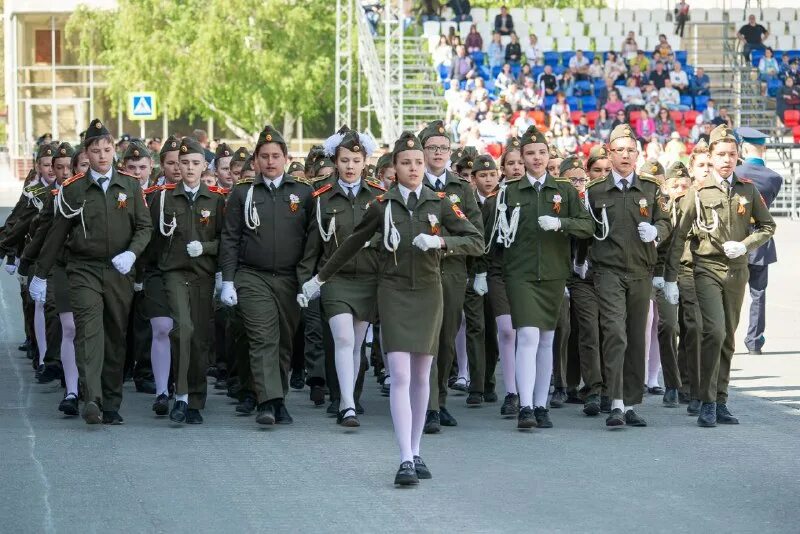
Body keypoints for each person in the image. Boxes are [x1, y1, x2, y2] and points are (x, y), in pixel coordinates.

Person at [303, 130, 482, 486]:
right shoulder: (381, 205)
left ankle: (416, 451)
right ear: (394, 168)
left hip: (429, 295)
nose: (414, 168)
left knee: (420, 377)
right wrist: (319, 280)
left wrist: (441, 241)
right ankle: (404, 458)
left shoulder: (441, 202)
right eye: (406, 163)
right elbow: (352, 243)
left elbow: (476, 240)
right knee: (400, 376)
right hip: (393, 292)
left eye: (418, 162)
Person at [29, 119, 152, 425]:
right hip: (83, 268)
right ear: (86, 153)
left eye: (107, 149)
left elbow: (145, 228)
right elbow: (57, 234)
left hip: (118, 270)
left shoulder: (131, 186)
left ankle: (111, 402)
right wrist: (41, 274)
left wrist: (131, 253)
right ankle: (92, 398)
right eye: (95, 150)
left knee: (114, 335)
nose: (101, 155)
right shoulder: (74, 189)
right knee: (89, 331)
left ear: (114, 152)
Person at [669, 124, 775, 427]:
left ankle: (720, 399)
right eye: (721, 154)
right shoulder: (698, 192)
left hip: (736, 270)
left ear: (738, 156)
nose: (727, 159)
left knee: (727, 337)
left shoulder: (747, 190)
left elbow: (767, 227)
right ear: (711, 157)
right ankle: (705, 400)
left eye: (732, 154)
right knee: (713, 332)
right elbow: (678, 237)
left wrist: (744, 245)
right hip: (706, 268)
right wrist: (668, 278)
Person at [486, 125, 593, 429]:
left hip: (554, 273)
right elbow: (493, 236)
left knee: (547, 338)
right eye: (530, 153)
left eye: (541, 153)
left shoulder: (565, 190)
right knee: (529, 335)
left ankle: (541, 404)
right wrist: (485, 272)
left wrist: (561, 224)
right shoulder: (509, 191)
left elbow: (587, 227)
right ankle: (526, 405)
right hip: (519, 274)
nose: (536, 158)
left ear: (549, 155)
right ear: (521, 157)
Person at [219, 125, 314, 426]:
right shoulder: (243, 192)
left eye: (276, 155)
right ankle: (268, 401)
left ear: (286, 158)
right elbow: (230, 238)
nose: (270, 161)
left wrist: (309, 278)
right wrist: (228, 280)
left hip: (289, 279)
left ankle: (278, 398)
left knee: (284, 342)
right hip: (252, 276)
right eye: (264, 156)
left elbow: (312, 240)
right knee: (262, 338)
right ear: (256, 160)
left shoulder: (303, 192)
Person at [584, 123, 672, 428]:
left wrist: (655, 232)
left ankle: (632, 403)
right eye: (619, 150)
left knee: (636, 337)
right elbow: (586, 230)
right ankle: (616, 401)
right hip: (607, 271)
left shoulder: (650, 187)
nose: (625, 155)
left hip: (641, 272)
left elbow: (665, 222)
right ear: (609, 153)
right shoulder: (595, 190)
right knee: (615, 334)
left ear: (638, 153)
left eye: (630, 150)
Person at [298, 128, 383, 427]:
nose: (350, 166)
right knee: (343, 338)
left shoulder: (379, 197)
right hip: (334, 278)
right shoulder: (321, 197)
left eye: (356, 160)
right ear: (336, 162)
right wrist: (308, 282)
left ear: (365, 162)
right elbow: (312, 244)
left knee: (357, 343)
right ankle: (346, 404)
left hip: (368, 279)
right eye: (345, 160)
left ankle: (350, 396)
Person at [144, 137, 226, 424]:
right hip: (174, 273)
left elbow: (225, 240)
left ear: (205, 165)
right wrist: (143, 274)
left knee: (201, 338)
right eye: (185, 163)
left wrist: (208, 251)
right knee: (184, 329)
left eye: (195, 163)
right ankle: (180, 396)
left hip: (203, 274)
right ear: (177, 165)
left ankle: (196, 400)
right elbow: (151, 238)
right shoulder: (163, 197)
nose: (190, 168)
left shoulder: (216, 199)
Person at [415, 120, 483, 433]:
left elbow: (476, 238)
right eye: (432, 147)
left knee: (445, 341)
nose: (439, 153)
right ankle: (426, 405)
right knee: (424, 339)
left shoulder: (462, 189)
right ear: (421, 150)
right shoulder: (412, 183)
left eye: (444, 147)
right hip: (419, 272)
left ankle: (439, 401)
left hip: (453, 272)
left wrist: (445, 244)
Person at [569, 146, 612, 414]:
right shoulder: (577, 199)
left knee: (611, 332)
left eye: (607, 170)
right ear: (587, 173)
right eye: (597, 170)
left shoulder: (617, 196)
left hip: (609, 273)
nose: (602, 174)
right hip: (581, 276)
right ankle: (594, 388)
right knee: (589, 331)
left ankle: (610, 387)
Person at [734, 127, 783, 355]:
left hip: (736, 238)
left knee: (729, 292)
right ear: (763, 148)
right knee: (758, 294)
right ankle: (754, 342)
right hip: (761, 240)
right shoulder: (774, 177)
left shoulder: (734, 172)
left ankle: (724, 337)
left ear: (743, 147)